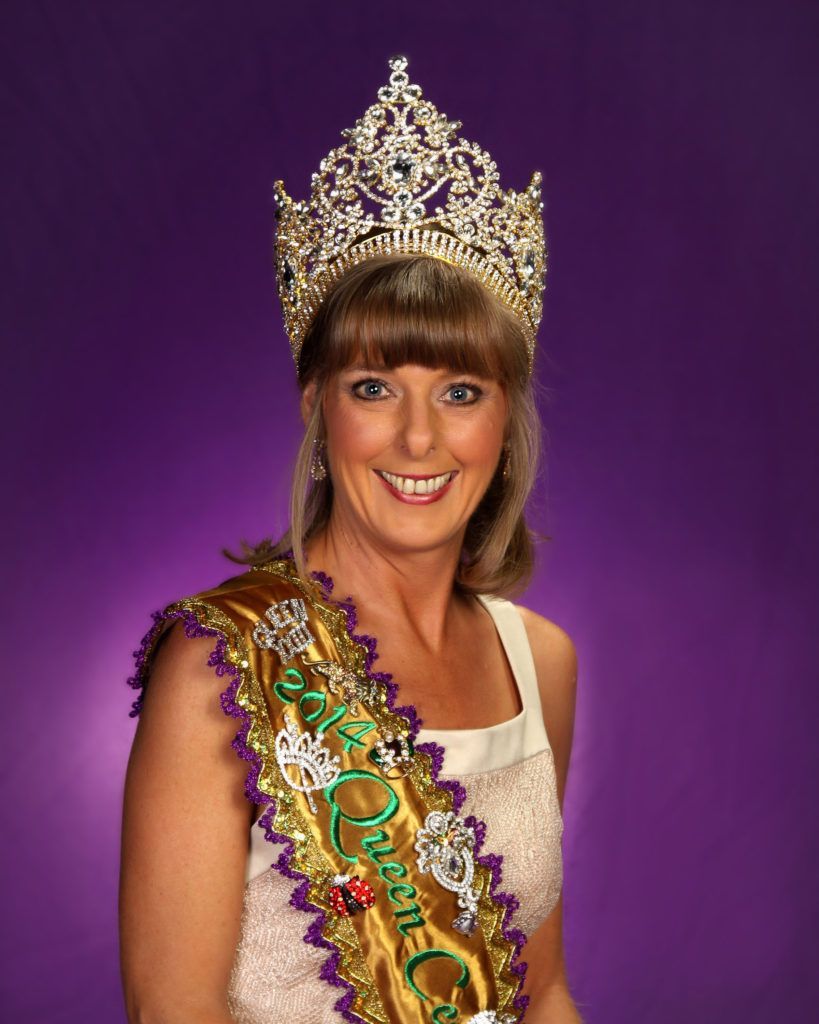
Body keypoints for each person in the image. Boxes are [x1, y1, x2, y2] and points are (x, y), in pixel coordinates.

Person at [119, 55, 581, 1024]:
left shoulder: (541, 659)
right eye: (375, 387)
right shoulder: (221, 666)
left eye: (460, 392)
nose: (420, 438)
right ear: (319, 410)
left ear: (503, 428)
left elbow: (541, 992)